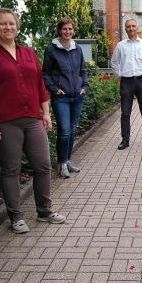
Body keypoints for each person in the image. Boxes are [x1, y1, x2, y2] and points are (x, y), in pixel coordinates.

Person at [0, 8, 67, 234]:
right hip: (6, 120)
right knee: (11, 169)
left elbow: (39, 84)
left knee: (43, 164)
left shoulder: (29, 52)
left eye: (11, 23)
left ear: (17, 27)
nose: (8, 27)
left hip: (33, 118)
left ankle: (44, 211)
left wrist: (46, 112)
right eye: (3, 24)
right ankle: (16, 217)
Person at [42, 17, 89, 178]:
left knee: (73, 130)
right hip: (61, 98)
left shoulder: (78, 49)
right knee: (64, 131)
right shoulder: (52, 49)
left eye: (70, 29)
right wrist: (54, 89)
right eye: (64, 29)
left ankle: (68, 161)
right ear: (59, 31)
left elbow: (83, 70)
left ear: (73, 31)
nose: (67, 32)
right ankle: (61, 164)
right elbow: (45, 73)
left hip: (77, 95)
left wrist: (84, 87)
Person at [110, 18, 142, 150]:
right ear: (125, 29)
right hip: (126, 82)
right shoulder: (121, 45)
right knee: (125, 113)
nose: (131, 28)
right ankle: (125, 140)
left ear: (137, 28)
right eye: (128, 27)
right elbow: (114, 62)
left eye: (133, 26)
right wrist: (120, 74)